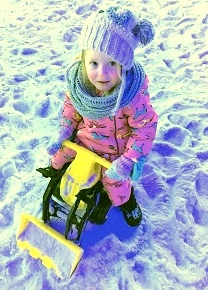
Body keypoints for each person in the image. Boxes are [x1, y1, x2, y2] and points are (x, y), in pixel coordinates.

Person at [44, 7, 158, 227]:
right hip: (85, 141)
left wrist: (127, 160)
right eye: (94, 63)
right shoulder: (81, 86)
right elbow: (71, 108)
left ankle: (126, 201)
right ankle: (56, 174)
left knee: (115, 181)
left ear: (124, 65)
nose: (102, 73)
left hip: (115, 152)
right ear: (84, 60)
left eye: (112, 64)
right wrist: (64, 132)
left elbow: (145, 129)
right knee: (61, 155)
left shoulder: (131, 96)